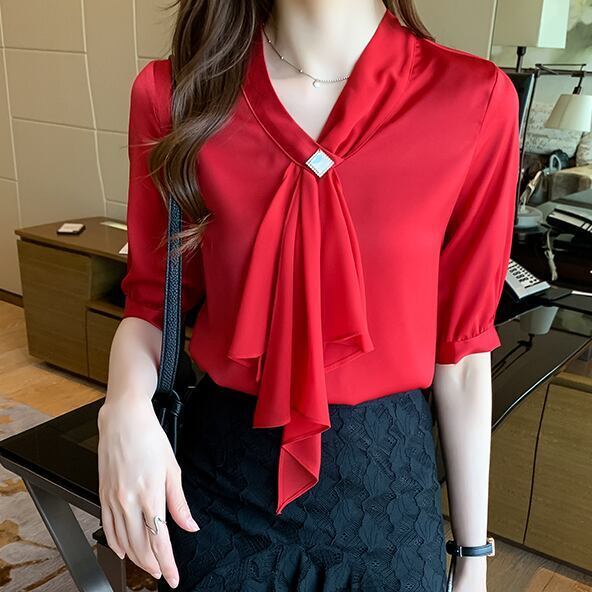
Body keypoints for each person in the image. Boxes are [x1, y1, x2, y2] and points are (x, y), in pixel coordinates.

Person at [97, 0, 519, 590]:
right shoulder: (174, 96)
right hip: (222, 487)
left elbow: (464, 351)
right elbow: (150, 305)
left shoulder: (474, 98)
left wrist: (473, 557)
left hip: (388, 498)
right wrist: (122, 406)